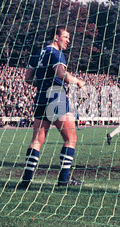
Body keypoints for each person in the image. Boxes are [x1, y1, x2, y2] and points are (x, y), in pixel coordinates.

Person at [20, 25, 86, 188]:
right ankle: (64, 179)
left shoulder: (37, 54)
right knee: (71, 139)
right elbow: (61, 74)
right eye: (65, 37)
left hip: (41, 96)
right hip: (56, 96)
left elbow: (28, 78)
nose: (68, 41)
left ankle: (26, 180)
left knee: (36, 140)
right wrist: (77, 81)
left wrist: (42, 82)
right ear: (56, 37)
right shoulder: (57, 53)